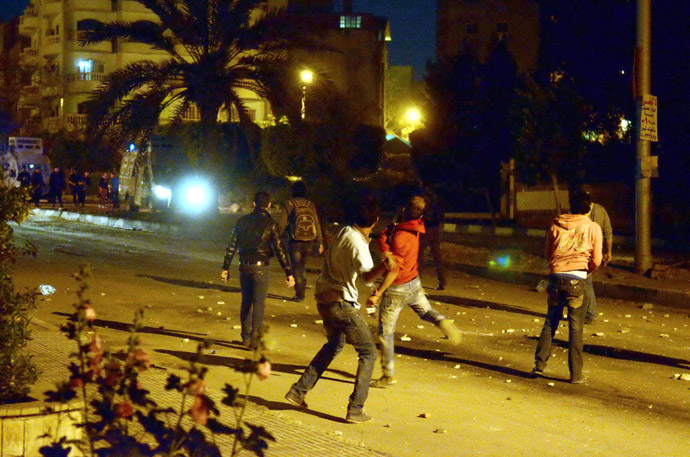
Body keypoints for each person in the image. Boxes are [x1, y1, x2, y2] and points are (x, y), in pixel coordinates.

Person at [285, 193, 391, 424]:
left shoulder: (345, 231)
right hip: (341, 304)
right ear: (375, 221)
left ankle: (298, 391)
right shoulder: (359, 246)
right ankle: (355, 408)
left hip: (324, 298)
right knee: (369, 353)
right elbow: (365, 279)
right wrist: (384, 266)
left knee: (334, 344)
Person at [368, 194, 461, 389]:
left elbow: (393, 270)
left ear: (404, 209)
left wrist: (377, 292)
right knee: (425, 312)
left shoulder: (400, 237)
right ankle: (441, 320)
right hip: (414, 282)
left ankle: (388, 375)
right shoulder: (415, 227)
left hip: (396, 289)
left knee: (386, 333)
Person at [530, 189, 603, 384]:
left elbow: (548, 251)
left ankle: (539, 366)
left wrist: (557, 267)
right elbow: (596, 259)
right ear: (588, 209)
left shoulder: (556, 224)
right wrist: (586, 271)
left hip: (555, 277)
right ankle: (575, 375)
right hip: (577, 279)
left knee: (550, 322)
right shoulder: (593, 227)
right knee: (575, 327)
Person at [221, 192, 295, 348]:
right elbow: (279, 249)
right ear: (268, 205)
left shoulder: (241, 221)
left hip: (244, 266)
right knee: (259, 305)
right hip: (261, 268)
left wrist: (225, 268)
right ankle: (254, 341)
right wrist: (288, 272)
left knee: (246, 302)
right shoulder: (271, 225)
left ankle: (245, 337)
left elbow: (231, 246)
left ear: (254, 204)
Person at [277, 181, 324, 302]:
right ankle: (301, 289)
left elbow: (282, 223)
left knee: (297, 267)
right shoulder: (310, 204)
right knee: (302, 265)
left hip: (295, 241)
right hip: (309, 240)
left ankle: (300, 294)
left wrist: (276, 236)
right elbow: (316, 223)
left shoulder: (289, 204)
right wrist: (320, 241)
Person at [583, 192, 613, 325]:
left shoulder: (576, 210)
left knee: (586, 281)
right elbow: (608, 232)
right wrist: (609, 252)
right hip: (595, 251)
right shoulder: (600, 210)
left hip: (584, 251)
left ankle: (590, 313)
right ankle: (587, 312)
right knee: (585, 281)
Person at [418, 187, 447, 290]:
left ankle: (416, 280)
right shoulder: (438, 199)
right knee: (437, 256)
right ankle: (442, 281)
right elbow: (441, 215)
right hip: (434, 230)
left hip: (424, 229)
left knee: (419, 255)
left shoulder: (423, 199)